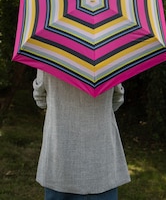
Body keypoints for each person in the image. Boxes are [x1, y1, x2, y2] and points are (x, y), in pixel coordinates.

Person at [33, 69, 130, 200]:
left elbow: (40, 99)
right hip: (101, 159)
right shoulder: (108, 60)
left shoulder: (49, 55)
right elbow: (117, 99)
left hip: (60, 154)